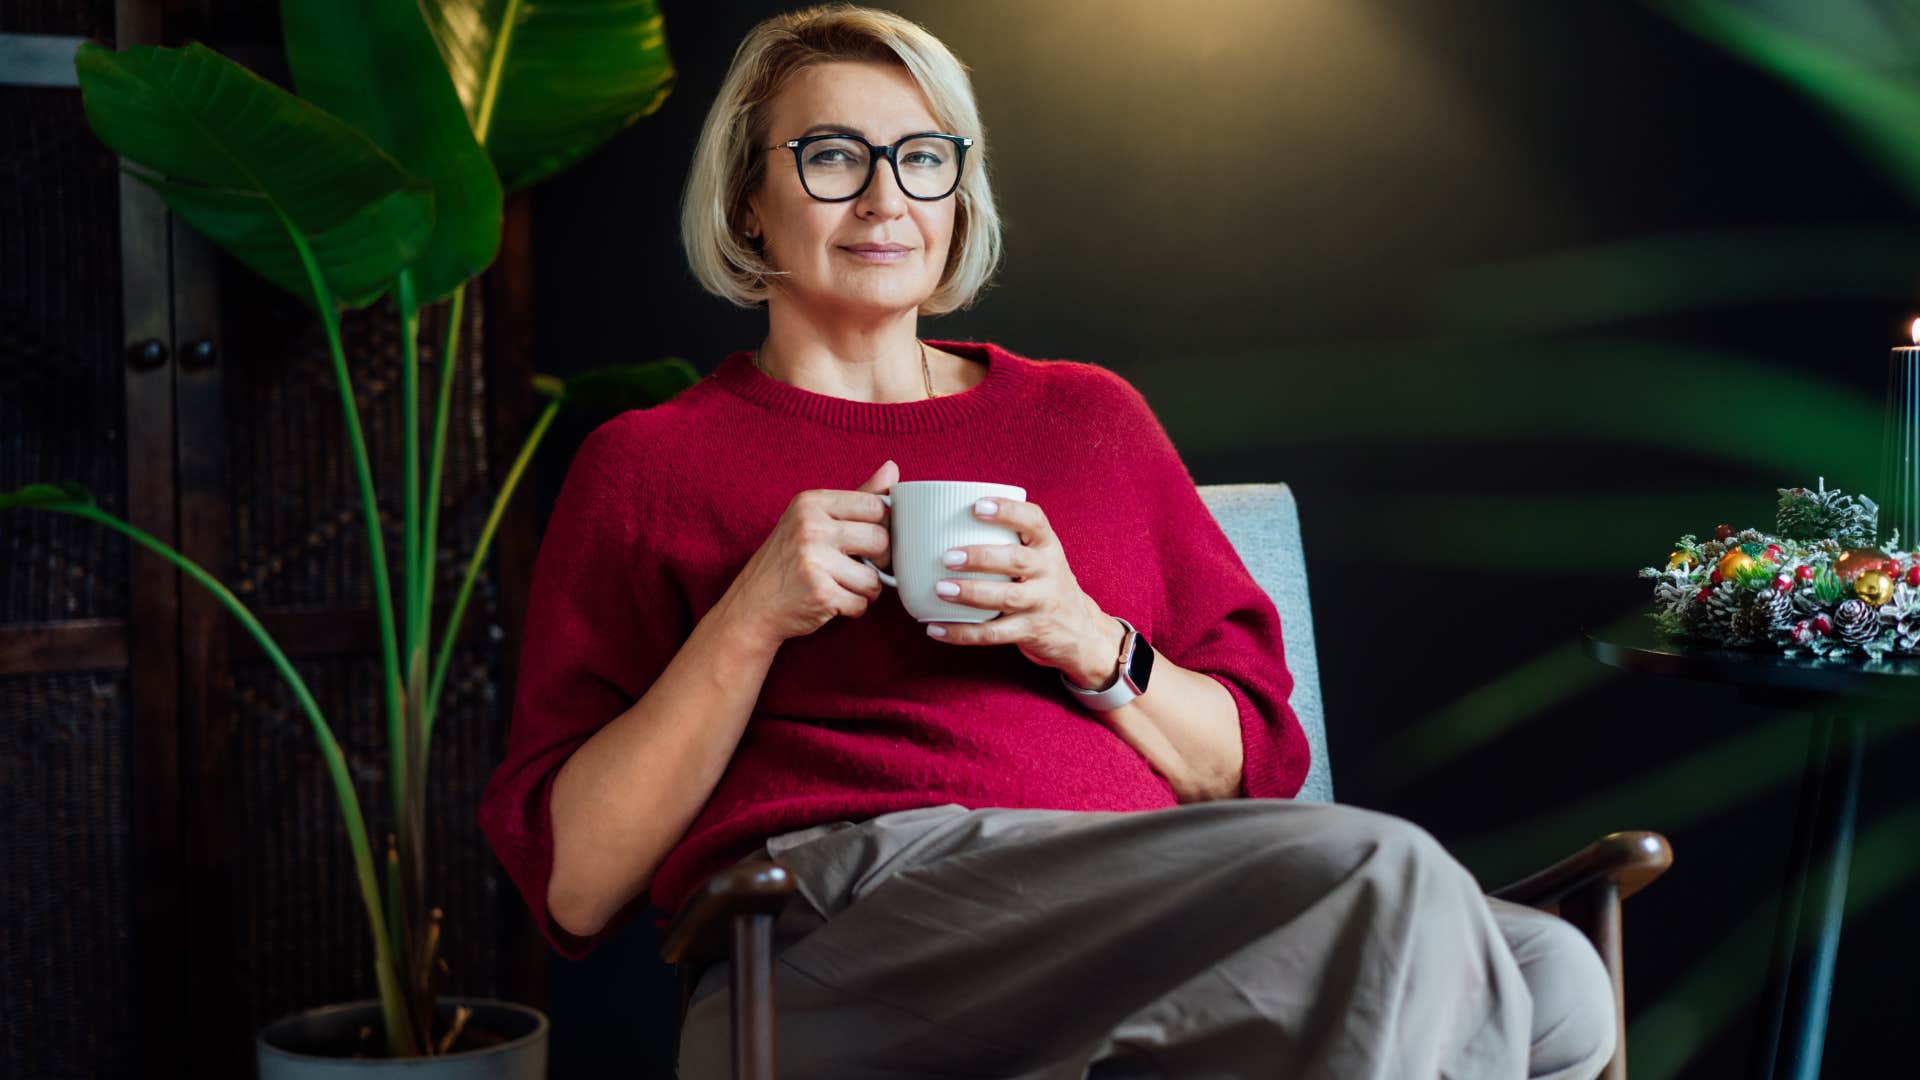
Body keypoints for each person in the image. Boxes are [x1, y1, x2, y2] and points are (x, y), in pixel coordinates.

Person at [476, 4, 1618, 1077]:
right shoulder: (651, 463)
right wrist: (751, 618)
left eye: (924, 158)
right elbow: (576, 883)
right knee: (1389, 874)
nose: (887, 200)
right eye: (831, 157)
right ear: (744, 203)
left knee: (1555, 977)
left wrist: (1090, 640)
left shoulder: (1090, 419)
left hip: (1141, 907)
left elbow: (1250, 761)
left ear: (959, 194)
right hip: (843, 927)